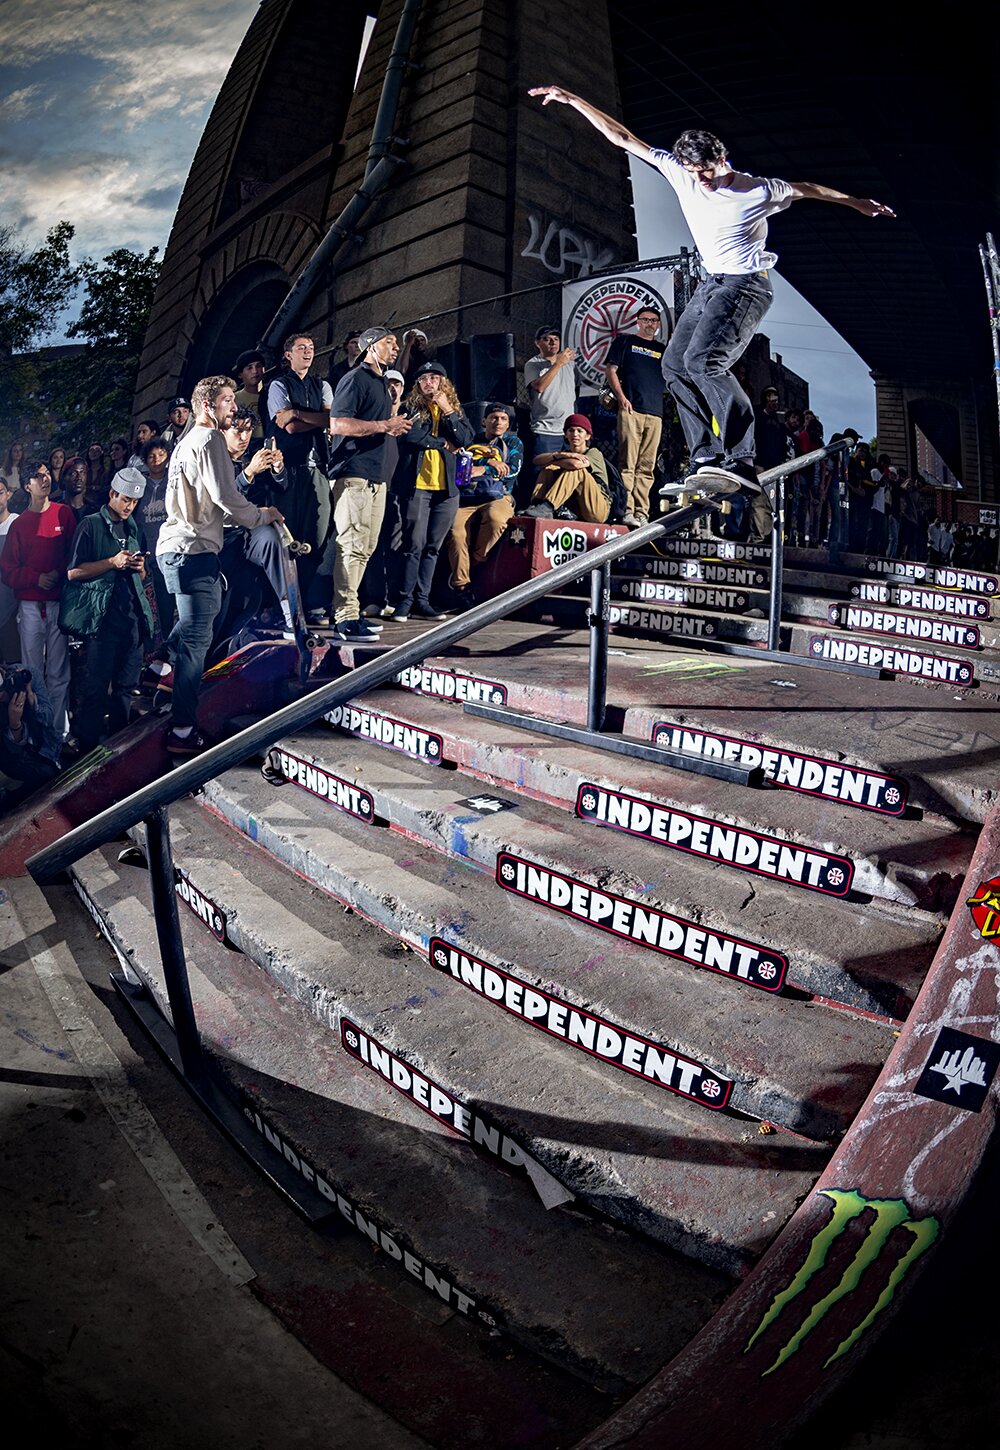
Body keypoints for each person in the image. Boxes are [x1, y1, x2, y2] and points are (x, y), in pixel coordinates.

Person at [529, 85, 894, 536]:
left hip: (747, 285)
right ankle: (706, 454)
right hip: (711, 284)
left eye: (706, 172)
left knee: (706, 362)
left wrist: (855, 202)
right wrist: (572, 99)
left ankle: (740, 458)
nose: (700, 180)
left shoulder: (757, 189)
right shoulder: (679, 171)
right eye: (693, 173)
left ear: (722, 159)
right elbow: (622, 137)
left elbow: (808, 189)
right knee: (674, 364)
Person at [155, 375, 284, 755]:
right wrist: (262, 515)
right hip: (193, 552)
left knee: (199, 621)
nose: (234, 406)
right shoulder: (210, 439)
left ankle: (158, 666)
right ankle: (182, 731)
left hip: (175, 548)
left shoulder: (185, 443)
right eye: (228, 400)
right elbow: (227, 497)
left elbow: (211, 504)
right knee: (197, 641)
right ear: (208, 406)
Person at [327, 326, 414, 639]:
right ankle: (344, 617)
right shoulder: (355, 379)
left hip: (377, 477)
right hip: (355, 474)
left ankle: (351, 611)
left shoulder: (381, 384)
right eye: (389, 343)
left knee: (365, 547)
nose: (395, 348)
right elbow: (337, 424)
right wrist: (384, 425)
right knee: (351, 544)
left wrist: (392, 422)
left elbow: (381, 426)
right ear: (371, 347)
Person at [60, 468, 154, 752]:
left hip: (132, 618)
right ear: (112, 493)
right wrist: (111, 562)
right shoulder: (90, 525)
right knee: (97, 688)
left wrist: (140, 569)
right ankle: (87, 750)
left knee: (125, 689)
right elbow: (73, 572)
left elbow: (143, 577)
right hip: (101, 621)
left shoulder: (133, 527)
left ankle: (119, 747)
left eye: (134, 502)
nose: (129, 506)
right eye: (125, 499)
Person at [0, 459, 76, 741]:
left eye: (47, 474)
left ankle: (59, 733)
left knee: (59, 672)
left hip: (58, 604)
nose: (45, 479)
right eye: (38, 476)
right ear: (26, 486)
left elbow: (74, 554)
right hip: (30, 607)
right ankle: (36, 732)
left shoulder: (64, 514)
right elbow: (8, 570)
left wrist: (59, 573)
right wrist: (36, 578)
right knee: (32, 673)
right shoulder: (19, 525)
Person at [392, 361, 474, 623]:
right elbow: (410, 437)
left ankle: (422, 601)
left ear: (443, 382)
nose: (429, 382)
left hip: (446, 490)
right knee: (413, 544)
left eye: (434, 378)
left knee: (432, 547)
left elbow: (465, 439)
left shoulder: (454, 410)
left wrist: (447, 409)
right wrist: (442, 444)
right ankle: (403, 601)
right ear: (417, 384)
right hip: (417, 486)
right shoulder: (410, 408)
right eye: (424, 378)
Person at [212, 408, 295, 650]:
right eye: (238, 431)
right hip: (223, 533)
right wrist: (248, 473)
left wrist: (278, 468)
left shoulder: (255, 452)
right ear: (223, 432)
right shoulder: (215, 458)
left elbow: (282, 487)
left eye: (248, 430)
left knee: (271, 538)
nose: (244, 437)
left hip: (254, 527)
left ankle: (290, 612)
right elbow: (225, 500)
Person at [266, 333, 332, 621]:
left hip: (317, 467)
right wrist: (314, 418)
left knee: (318, 534)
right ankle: (286, 606)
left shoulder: (322, 385)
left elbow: (331, 419)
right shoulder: (278, 385)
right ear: (288, 354)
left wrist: (296, 413)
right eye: (301, 348)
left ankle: (311, 601)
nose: (308, 352)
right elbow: (288, 428)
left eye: (311, 348)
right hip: (288, 471)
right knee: (289, 538)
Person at [447, 403, 523, 608]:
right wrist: (488, 463)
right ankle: (461, 586)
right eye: (493, 417)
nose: (498, 422)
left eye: (503, 419)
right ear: (484, 421)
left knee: (496, 519)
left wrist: (482, 470)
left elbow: (512, 470)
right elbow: (460, 469)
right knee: (456, 532)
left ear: (508, 424)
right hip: (468, 497)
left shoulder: (513, 442)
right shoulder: (470, 440)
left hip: (499, 495)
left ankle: (474, 562)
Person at [603, 304, 666, 527]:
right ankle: (626, 510)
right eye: (645, 319)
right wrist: (621, 397)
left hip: (655, 413)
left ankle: (642, 513)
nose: (650, 324)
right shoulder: (625, 341)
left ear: (658, 325)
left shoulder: (662, 350)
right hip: (631, 409)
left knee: (647, 467)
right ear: (638, 322)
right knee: (628, 464)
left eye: (654, 320)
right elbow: (611, 370)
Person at [524, 413, 612, 523]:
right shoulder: (566, 454)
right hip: (575, 508)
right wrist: (561, 455)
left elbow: (576, 465)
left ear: (587, 436)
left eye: (580, 431)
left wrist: (554, 460)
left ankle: (548, 506)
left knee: (576, 470)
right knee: (549, 468)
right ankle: (537, 504)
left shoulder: (594, 453)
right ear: (566, 434)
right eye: (571, 430)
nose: (575, 434)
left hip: (596, 510)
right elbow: (537, 460)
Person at [0, 664, 61, 804]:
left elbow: (49, 720)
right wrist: (15, 723)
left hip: (43, 750)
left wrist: (32, 702)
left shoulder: (26, 675)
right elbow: (12, 751)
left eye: (2, 689)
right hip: (11, 759)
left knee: (48, 774)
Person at [524, 326, 578, 464]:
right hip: (545, 430)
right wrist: (558, 364)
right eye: (547, 339)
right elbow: (539, 386)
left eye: (556, 339)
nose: (553, 342)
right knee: (543, 471)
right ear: (537, 343)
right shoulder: (533, 364)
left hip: (568, 430)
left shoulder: (570, 364)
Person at [233, 350, 267, 443]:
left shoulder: (270, 396)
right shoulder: (234, 399)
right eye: (249, 368)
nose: (255, 371)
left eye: (258, 366)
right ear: (240, 374)